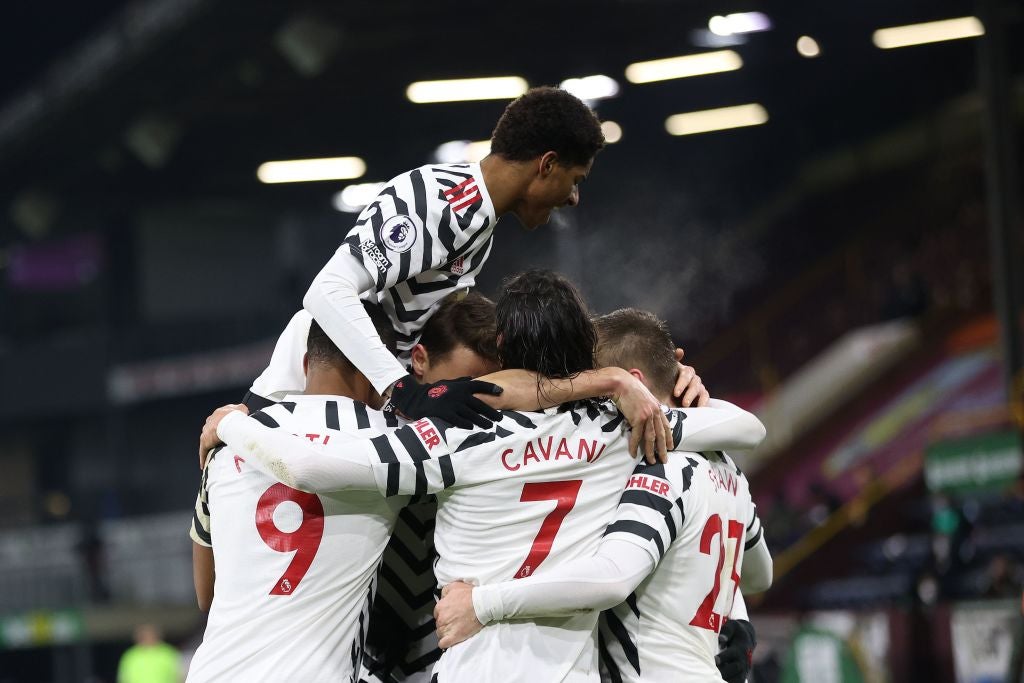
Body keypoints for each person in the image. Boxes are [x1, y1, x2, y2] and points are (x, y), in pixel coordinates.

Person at [205, 270, 766, 682]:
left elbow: (307, 467)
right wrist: (651, 387)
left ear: (501, 348)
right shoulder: (619, 428)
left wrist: (234, 425)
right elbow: (747, 429)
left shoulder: (454, 436)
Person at [433, 308, 772, 683]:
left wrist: (482, 604)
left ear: (634, 383)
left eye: (600, 389)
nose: (588, 399)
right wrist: (735, 616)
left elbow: (612, 577)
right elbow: (758, 574)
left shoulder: (656, 463)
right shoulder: (732, 473)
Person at [245, 86, 607, 428]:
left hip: (361, 403)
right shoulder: (433, 204)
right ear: (547, 165)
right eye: (576, 179)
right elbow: (326, 291)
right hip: (301, 396)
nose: (573, 197)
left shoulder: (479, 223)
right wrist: (403, 390)